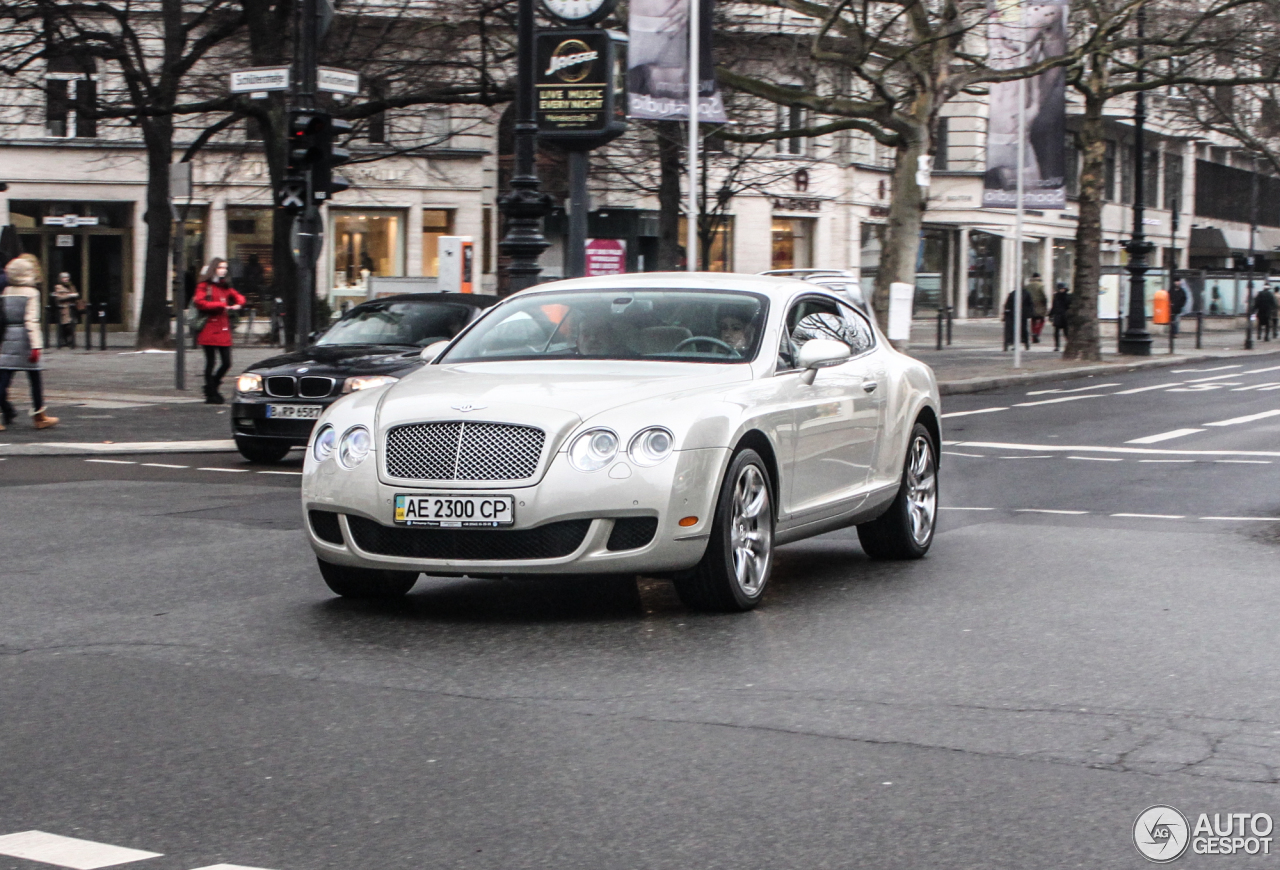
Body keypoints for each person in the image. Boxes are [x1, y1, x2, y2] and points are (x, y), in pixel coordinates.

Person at [1, 256, 58, 430]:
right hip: (25, 338)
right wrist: (35, 346)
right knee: (34, 377)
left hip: (6, 336)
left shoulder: (5, 291)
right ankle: (39, 416)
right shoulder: (32, 292)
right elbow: (31, 320)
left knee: (4, 377)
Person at [193, 257, 245, 404]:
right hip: (209, 327)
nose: (223, 270)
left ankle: (211, 387)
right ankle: (211, 392)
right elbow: (200, 302)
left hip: (223, 328)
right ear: (214, 268)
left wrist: (238, 304)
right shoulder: (204, 285)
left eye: (225, 267)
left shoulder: (225, 286)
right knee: (211, 362)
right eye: (220, 267)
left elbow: (239, 297)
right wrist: (220, 305)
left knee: (227, 362)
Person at [51, 272, 80, 349]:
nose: (66, 279)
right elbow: (59, 297)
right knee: (66, 325)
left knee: (72, 324)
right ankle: (64, 340)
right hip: (64, 308)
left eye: (67, 277)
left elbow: (76, 294)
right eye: (64, 278)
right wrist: (69, 295)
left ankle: (71, 341)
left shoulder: (71, 286)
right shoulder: (58, 287)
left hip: (72, 308)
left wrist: (75, 295)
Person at [1003, 286, 1033, 351]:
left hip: (1022, 315)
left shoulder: (1025, 294)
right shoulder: (1013, 294)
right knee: (1014, 330)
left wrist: (1029, 313)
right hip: (1014, 315)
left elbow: (1030, 304)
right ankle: (1015, 344)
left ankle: (1025, 343)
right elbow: (1008, 304)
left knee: (1022, 330)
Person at [1026, 273, 1048, 343]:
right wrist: (1045, 303)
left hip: (1030, 305)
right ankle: (1037, 333)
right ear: (1039, 277)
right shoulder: (1040, 285)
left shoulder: (1028, 286)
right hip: (1040, 304)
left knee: (1033, 320)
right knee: (1042, 320)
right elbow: (1043, 296)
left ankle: (1033, 335)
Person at [1048, 282, 1071, 350]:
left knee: (1066, 331)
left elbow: (1069, 306)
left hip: (1065, 316)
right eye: (1061, 289)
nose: (1062, 290)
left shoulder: (1068, 296)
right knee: (1056, 332)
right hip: (1058, 315)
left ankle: (1068, 344)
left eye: (1063, 289)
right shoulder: (1056, 296)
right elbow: (1054, 306)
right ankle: (1057, 346)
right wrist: (1050, 314)